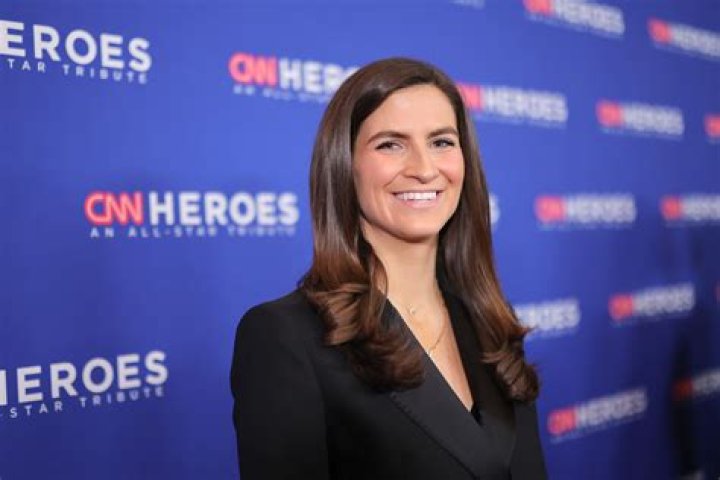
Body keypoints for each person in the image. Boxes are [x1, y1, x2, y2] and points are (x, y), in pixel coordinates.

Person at [230, 57, 547, 480]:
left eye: (441, 142)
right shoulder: (288, 337)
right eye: (390, 145)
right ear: (344, 165)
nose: (424, 169)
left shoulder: (490, 322)